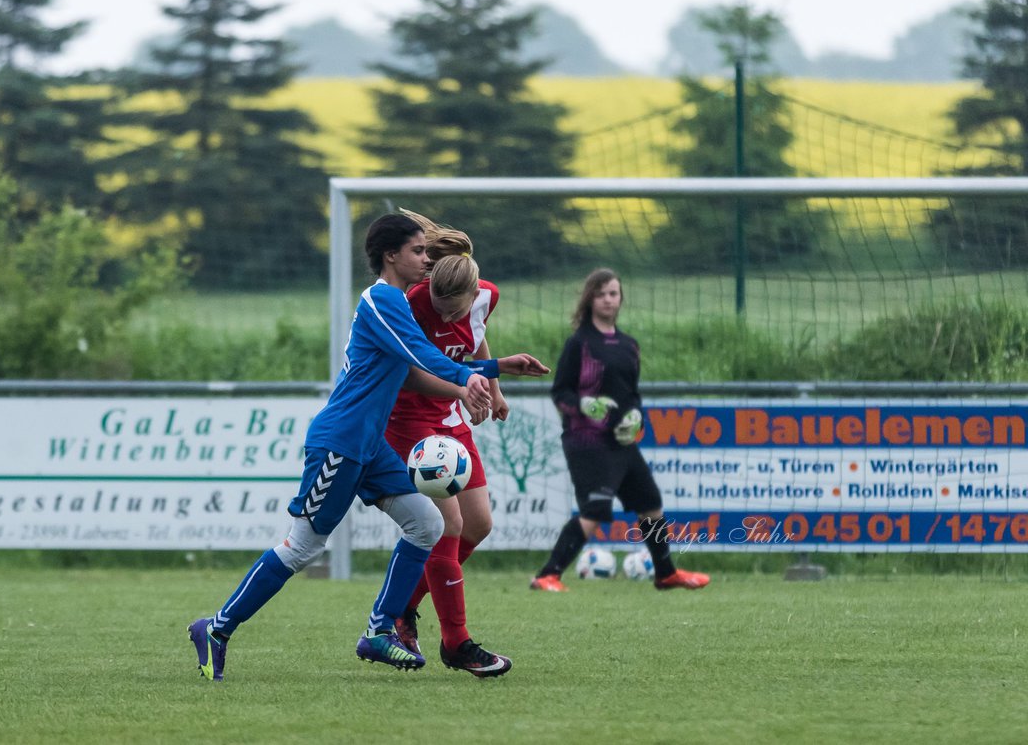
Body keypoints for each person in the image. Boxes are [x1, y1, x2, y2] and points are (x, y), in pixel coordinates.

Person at [187, 213, 495, 682]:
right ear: (391, 256)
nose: (426, 259)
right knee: (302, 548)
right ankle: (216, 628)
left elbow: (415, 366)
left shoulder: (395, 302)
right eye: (417, 251)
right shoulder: (382, 300)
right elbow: (420, 353)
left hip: (369, 447)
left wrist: (489, 371)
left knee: (426, 523)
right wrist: (468, 375)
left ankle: (378, 630)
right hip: (341, 443)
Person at [385, 210, 550, 679]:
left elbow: (476, 341)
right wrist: (475, 384)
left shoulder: (485, 297)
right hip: (409, 418)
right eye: (438, 302)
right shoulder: (415, 299)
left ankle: (400, 609)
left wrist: (494, 391)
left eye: (452, 307)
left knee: (479, 524)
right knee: (448, 523)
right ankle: (457, 642)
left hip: (450, 416)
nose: (445, 312)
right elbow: (416, 369)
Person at [530, 268, 710, 592]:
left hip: (621, 442)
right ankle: (547, 575)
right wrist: (585, 405)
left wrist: (637, 419)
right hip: (586, 440)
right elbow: (561, 393)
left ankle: (666, 573)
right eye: (601, 294)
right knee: (595, 509)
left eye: (614, 293)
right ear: (590, 299)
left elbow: (633, 395)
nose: (608, 299)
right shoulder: (579, 343)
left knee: (650, 502)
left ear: (621, 298)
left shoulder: (629, 345)